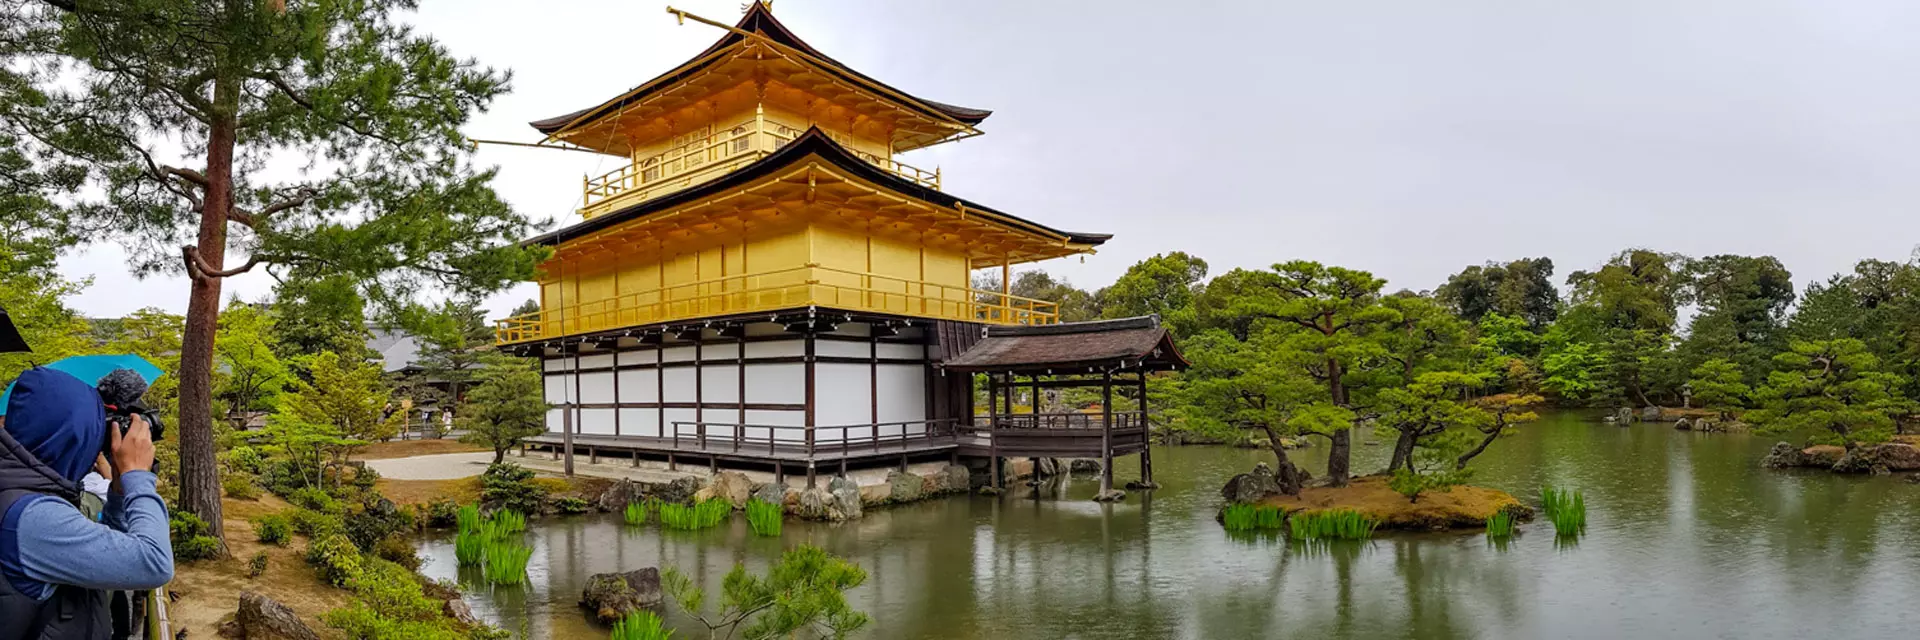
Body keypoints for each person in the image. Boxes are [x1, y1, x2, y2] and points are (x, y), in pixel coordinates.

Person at [0, 367, 172, 639]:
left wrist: (118, 489)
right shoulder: (33, 516)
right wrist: (138, 475)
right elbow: (154, 563)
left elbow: (115, 546)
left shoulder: (23, 493)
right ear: (72, 436)